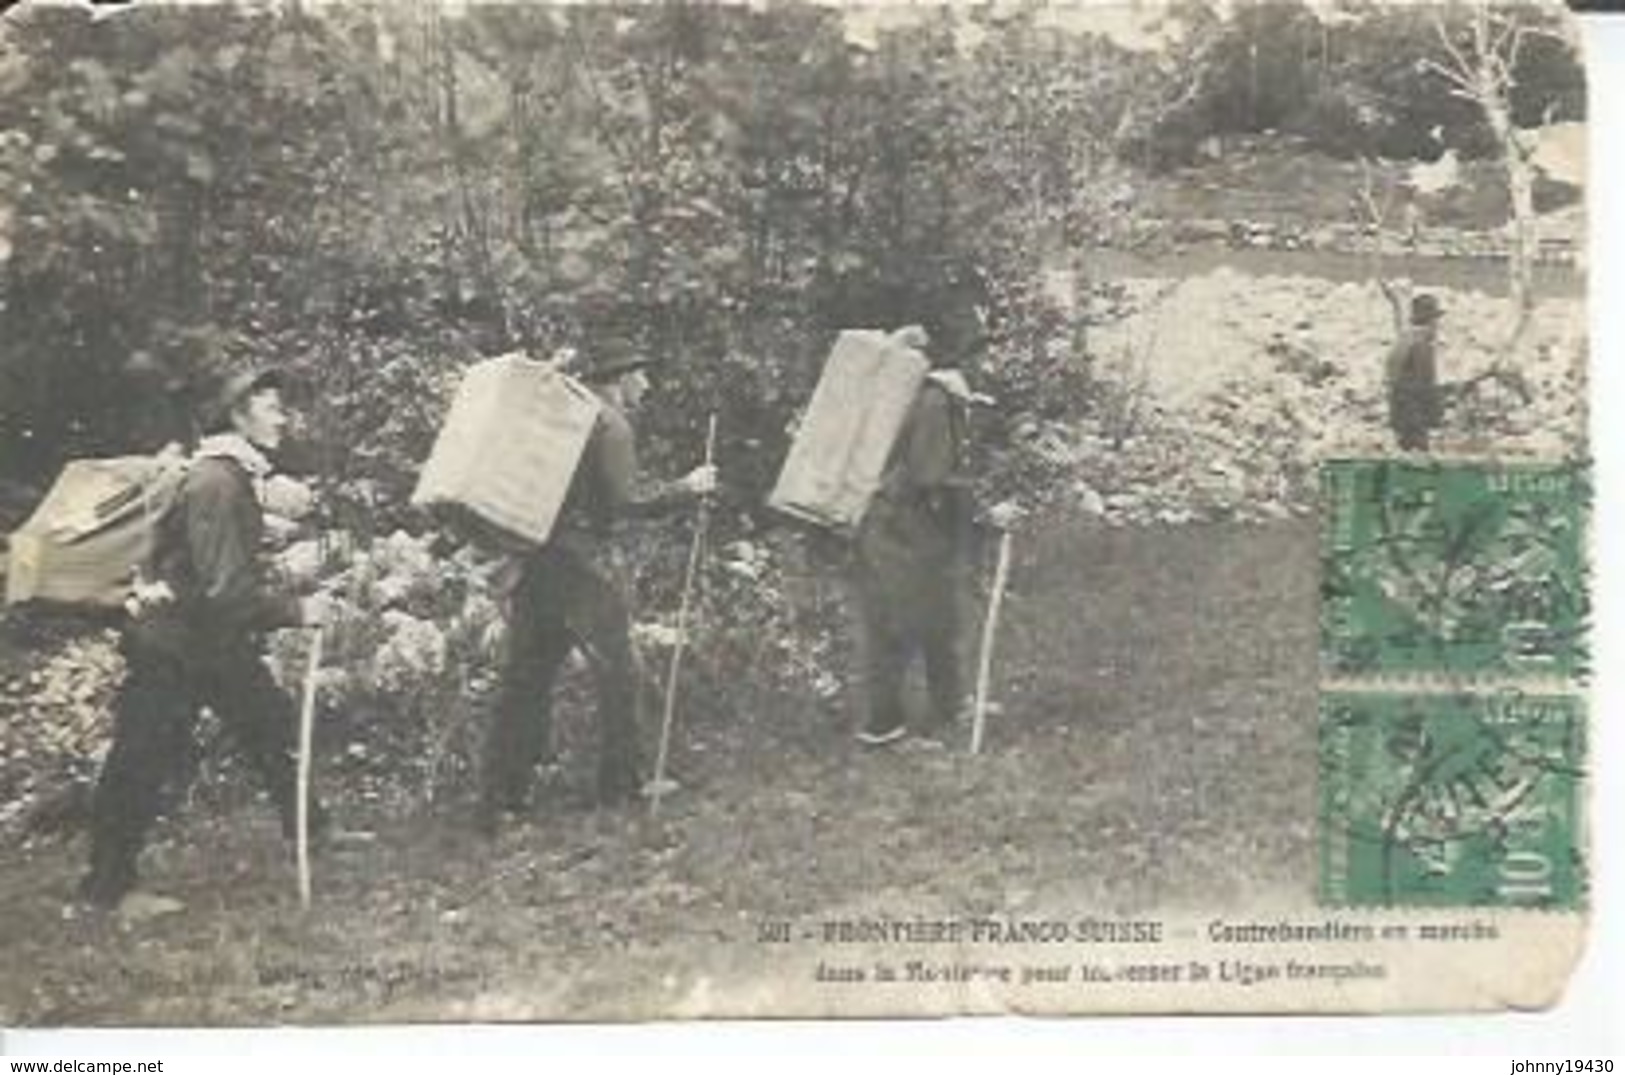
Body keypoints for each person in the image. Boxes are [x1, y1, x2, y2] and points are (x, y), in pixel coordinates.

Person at [78, 368, 333, 912]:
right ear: (237, 414)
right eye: (271, 405)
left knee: (269, 724)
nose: (283, 415)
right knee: (143, 756)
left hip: (211, 642)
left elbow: (219, 564)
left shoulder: (231, 476)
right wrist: (296, 609)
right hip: (175, 645)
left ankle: (312, 833)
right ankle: (108, 888)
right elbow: (227, 592)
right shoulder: (217, 481)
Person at [477, 341, 716, 835]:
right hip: (579, 566)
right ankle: (621, 785)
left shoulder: (568, 418)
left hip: (537, 561)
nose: (646, 385)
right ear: (619, 377)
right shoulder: (610, 424)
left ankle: (502, 798)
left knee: (527, 678)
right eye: (639, 374)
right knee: (618, 672)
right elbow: (626, 500)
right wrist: (687, 489)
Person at [851, 329, 989, 747]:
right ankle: (883, 726)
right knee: (898, 625)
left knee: (933, 617)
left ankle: (948, 705)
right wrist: (982, 508)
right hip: (902, 526)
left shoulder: (900, 399)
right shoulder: (933, 402)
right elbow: (932, 476)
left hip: (889, 522)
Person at [1385, 292, 1446, 452]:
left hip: (1399, 409)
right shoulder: (1422, 344)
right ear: (1431, 321)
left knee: (1405, 453)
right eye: (1436, 320)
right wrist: (1436, 413)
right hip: (1414, 413)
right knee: (1420, 458)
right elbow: (1425, 383)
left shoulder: (1405, 338)